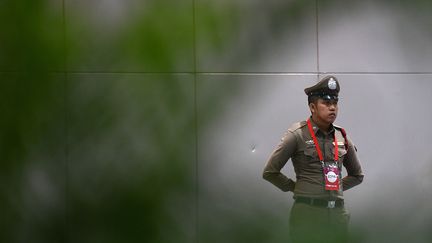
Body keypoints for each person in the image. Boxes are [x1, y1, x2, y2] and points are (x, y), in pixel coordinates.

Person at [262, 76, 364, 243]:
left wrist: (334, 187)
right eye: (326, 103)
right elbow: (270, 172)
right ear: (312, 107)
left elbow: (357, 175)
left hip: (337, 217)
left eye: (335, 104)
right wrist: (296, 188)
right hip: (308, 215)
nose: (332, 108)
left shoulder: (342, 136)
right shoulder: (297, 134)